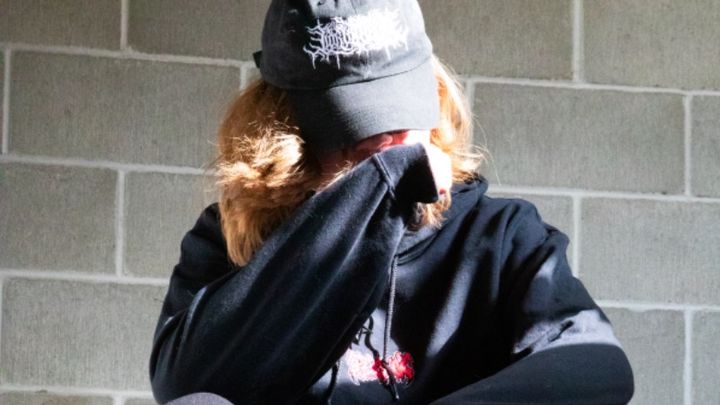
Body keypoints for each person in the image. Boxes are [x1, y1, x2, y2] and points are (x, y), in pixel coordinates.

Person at [148, 1, 635, 404]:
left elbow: (597, 365)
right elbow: (187, 386)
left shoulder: (501, 236)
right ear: (285, 128)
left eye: (402, 111)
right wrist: (384, 183)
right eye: (358, 130)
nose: (395, 138)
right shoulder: (232, 238)